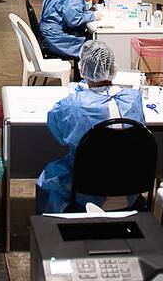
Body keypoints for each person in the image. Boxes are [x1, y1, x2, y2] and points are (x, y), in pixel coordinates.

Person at [35, 41, 146, 213]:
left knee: (49, 179)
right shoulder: (134, 99)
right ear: (113, 68)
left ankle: (53, 231)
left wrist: (78, 97)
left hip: (86, 191)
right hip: (130, 188)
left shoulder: (74, 105)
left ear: (83, 69)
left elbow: (56, 129)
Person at [39, 0, 103, 59]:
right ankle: (87, 70)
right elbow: (73, 21)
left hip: (47, 31)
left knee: (84, 35)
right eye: (92, 1)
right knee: (92, 48)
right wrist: (92, 16)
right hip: (54, 37)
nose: (90, 4)